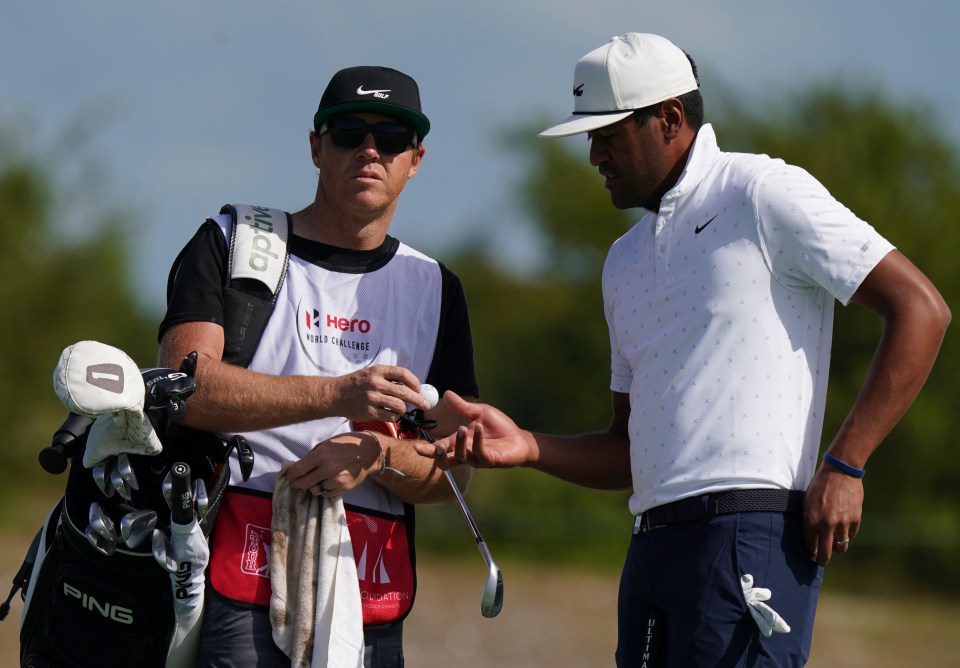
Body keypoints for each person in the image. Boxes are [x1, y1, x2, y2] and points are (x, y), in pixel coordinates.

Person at [418, 33, 950, 667]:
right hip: (652, 549)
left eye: (607, 134)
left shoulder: (761, 191)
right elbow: (627, 450)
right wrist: (530, 446)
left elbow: (921, 309)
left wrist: (847, 464)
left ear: (669, 118)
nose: (594, 155)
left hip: (750, 536)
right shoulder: (623, 261)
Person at [158, 65, 479, 667]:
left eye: (391, 140)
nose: (369, 150)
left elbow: (454, 476)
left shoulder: (435, 287)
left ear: (416, 159)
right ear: (315, 146)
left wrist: (378, 455)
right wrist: (338, 394)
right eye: (348, 132)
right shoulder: (232, 240)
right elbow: (184, 385)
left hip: (371, 581)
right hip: (237, 567)